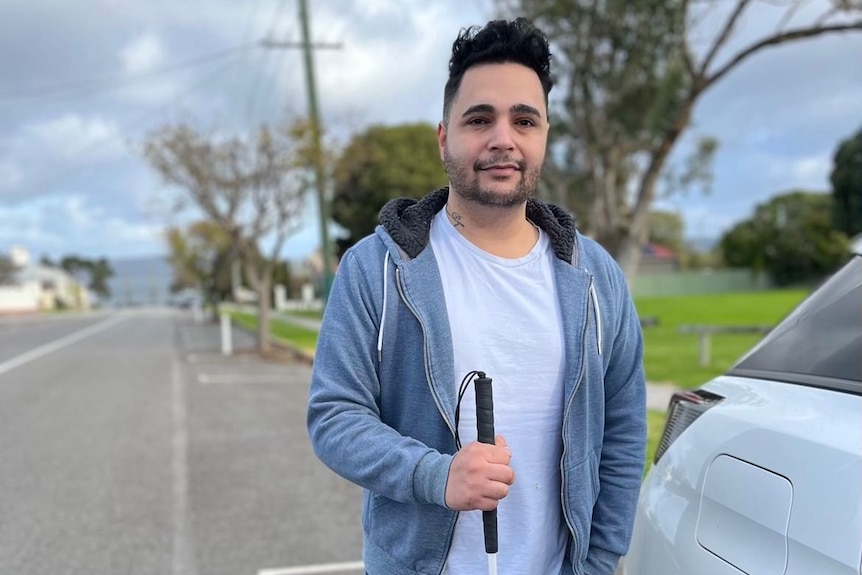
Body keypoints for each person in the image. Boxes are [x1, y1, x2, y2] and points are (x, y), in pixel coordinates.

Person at [307, 17, 646, 575]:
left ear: (543, 138)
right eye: (479, 118)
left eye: (524, 120)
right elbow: (335, 415)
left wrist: (602, 559)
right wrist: (436, 477)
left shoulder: (596, 277)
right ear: (445, 136)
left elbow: (623, 428)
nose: (502, 139)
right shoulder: (378, 268)